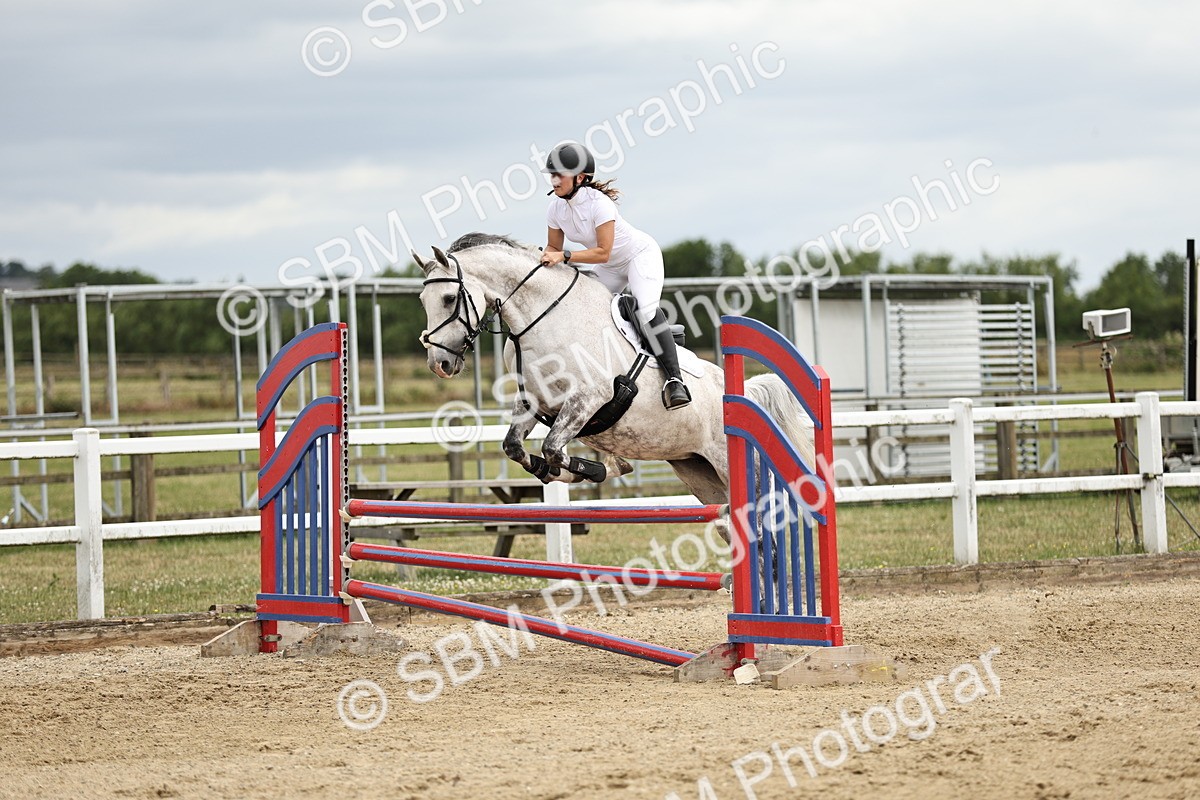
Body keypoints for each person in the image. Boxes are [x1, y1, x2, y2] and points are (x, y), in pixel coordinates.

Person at [537, 142, 691, 410]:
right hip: (609, 267)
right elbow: (554, 248)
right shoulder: (555, 209)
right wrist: (543, 258)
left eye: (559, 174)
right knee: (583, 310)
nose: (554, 180)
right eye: (552, 174)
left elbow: (603, 253)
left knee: (644, 311)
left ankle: (674, 380)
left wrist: (564, 257)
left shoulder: (600, 204)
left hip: (638, 256)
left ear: (580, 177)